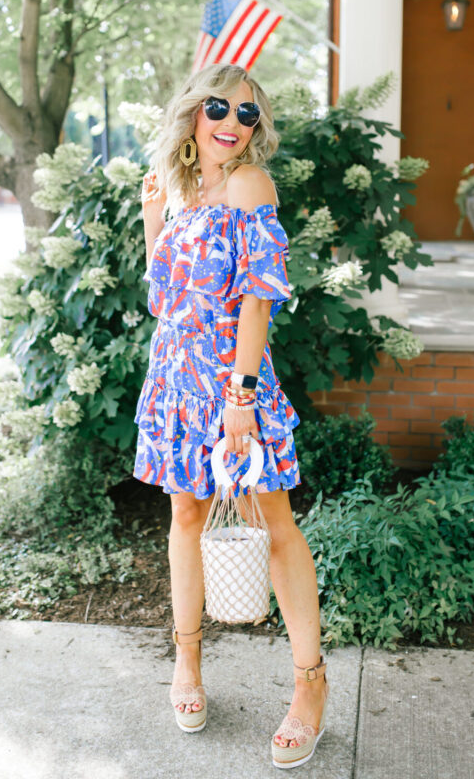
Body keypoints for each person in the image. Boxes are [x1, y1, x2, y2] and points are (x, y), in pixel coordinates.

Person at [134, 62, 329, 769]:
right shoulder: (184, 186)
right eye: (219, 107)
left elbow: (256, 300)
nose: (231, 123)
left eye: (247, 114)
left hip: (229, 381)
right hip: (175, 377)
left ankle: (310, 686)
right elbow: (164, 300)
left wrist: (240, 399)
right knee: (186, 517)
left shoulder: (250, 185)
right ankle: (186, 668)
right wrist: (155, 217)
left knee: (270, 522)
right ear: (192, 112)